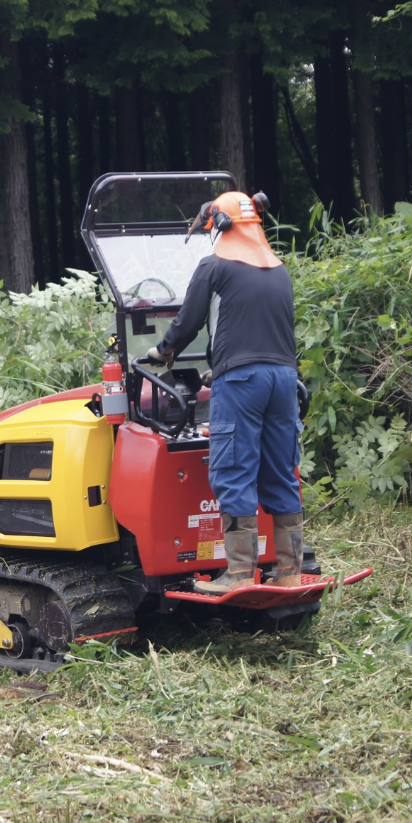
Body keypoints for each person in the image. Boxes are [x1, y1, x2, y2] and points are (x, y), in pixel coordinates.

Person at [146, 191, 305, 594]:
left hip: (243, 383)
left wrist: (164, 352)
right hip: (284, 380)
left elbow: (189, 321)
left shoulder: (214, 266)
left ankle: (236, 575)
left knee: (234, 469)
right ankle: (289, 571)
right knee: (280, 470)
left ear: (218, 224)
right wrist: (218, 370)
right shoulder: (278, 270)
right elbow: (259, 333)